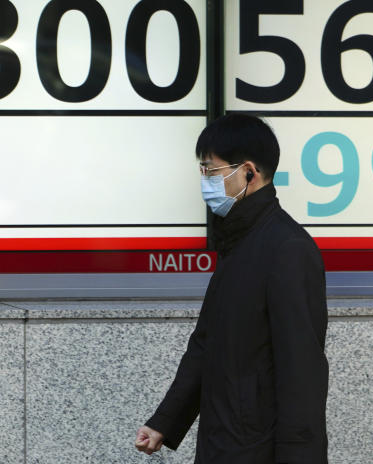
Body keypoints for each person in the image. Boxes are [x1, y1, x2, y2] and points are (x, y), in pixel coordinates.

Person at [135, 113, 329, 463]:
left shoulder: (288, 248)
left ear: (249, 173)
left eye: (212, 170)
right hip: (223, 442)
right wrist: (165, 421)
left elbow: (302, 373)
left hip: (257, 450)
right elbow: (205, 344)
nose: (205, 180)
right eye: (202, 171)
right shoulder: (237, 241)